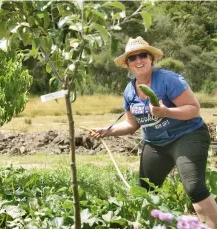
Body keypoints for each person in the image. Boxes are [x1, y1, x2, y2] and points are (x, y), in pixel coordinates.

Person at [90, 36, 217, 228]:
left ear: (151, 59)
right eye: (133, 58)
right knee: (145, 191)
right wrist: (106, 131)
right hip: (156, 144)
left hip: (187, 135)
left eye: (142, 55)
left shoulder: (169, 80)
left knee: (194, 188)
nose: (138, 60)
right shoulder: (129, 92)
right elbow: (131, 125)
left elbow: (194, 109)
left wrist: (166, 111)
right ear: (127, 64)